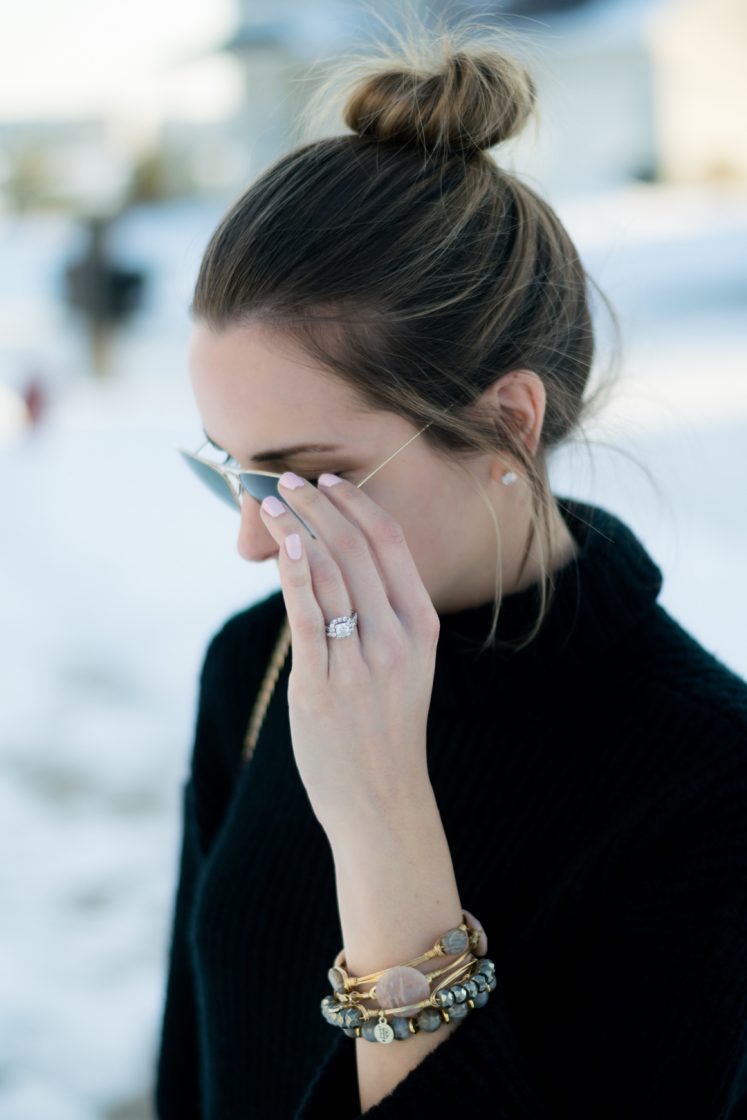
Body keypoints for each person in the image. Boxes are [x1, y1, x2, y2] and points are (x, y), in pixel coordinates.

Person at [152, 14, 747, 1119]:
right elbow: (194, 1075)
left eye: (300, 481)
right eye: (233, 475)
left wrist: (383, 820)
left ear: (509, 423)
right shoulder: (259, 666)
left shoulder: (707, 779)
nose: (251, 543)